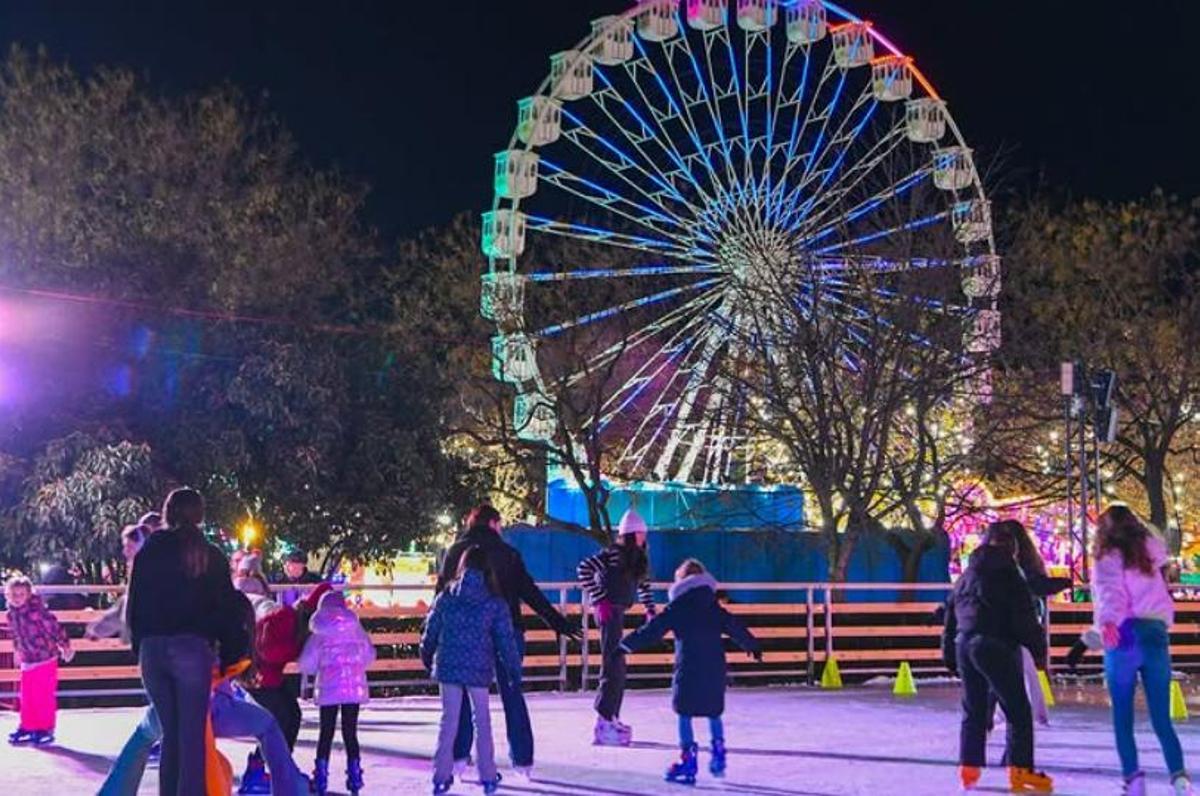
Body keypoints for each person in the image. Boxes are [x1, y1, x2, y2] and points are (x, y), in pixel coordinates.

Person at [99, 592, 311, 796]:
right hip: (215, 709)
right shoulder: (232, 642)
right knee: (268, 725)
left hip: (173, 710)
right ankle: (289, 790)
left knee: (142, 736)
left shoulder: (186, 631)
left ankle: (115, 791)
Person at [435, 504, 579, 777]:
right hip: (508, 632)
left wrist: (436, 634)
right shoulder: (507, 554)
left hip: (467, 636)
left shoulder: (455, 552)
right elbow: (530, 592)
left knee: (464, 696)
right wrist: (556, 622)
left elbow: (441, 595)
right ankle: (523, 759)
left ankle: (459, 757)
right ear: (493, 523)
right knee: (512, 693)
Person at [127, 487, 240, 796]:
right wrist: (229, 653)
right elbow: (227, 607)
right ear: (199, 514)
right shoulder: (210, 555)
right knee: (191, 740)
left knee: (171, 737)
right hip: (191, 650)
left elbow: (133, 603)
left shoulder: (148, 551)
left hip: (153, 650)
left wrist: (141, 646)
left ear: (167, 512)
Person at [619, 559, 760, 784]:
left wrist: (627, 645)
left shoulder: (678, 607)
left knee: (684, 711)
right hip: (714, 667)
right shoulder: (713, 606)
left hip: (689, 667)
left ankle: (687, 758)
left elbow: (653, 630)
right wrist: (751, 644)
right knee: (714, 711)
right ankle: (718, 751)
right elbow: (733, 625)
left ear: (681, 582)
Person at [942, 522, 1053, 793]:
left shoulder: (967, 574)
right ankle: (1020, 771)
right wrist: (1038, 648)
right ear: (1013, 550)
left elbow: (951, 614)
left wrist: (949, 654)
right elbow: (1024, 616)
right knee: (1018, 711)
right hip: (996, 645)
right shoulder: (1010, 575)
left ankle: (968, 768)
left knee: (974, 709)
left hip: (964, 644)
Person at [1093, 505, 1192, 796]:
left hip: (1123, 634)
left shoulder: (1108, 556)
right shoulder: (1150, 554)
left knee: (1123, 716)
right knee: (1161, 717)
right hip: (1155, 633)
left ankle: (1133, 779)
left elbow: (1110, 589)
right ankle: (1179, 778)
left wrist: (1108, 620)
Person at [423, 546, 521, 796]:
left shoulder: (446, 596)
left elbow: (431, 629)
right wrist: (513, 668)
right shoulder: (494, 602)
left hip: (448, 667)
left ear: (462, 566)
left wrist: (426, 655)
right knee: (482, 721)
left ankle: (441, 776)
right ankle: (487, 776)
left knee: (449, 721)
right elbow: (505, 639)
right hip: (479, 669)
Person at [239, 583, 332, 791]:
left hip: (270, 677)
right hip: (256, 676)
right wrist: (291, 651)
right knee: (279, 719)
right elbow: (265, 647)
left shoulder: (301, 628)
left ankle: (281, 767)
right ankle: (260, 770)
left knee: (293, 715)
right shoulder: (285, 618)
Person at [576, 507, 656, 745]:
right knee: (613, 663)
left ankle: (611, 715)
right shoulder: (613, 554)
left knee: (619, 665)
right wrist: (600, 598)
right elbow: (583, 569)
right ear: (632, 534)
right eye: (641, 533)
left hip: (618, 611)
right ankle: (603, 720)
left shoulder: (637, 558)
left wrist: (650, 609)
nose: (644, 537)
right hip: (608, 611)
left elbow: (643, 585)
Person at [298, 589, 376, 795]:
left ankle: (321, 775)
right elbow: (369, 654)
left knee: (326, 732)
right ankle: (354, 774)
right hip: (353, 688)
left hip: (328, 689)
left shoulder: (319, 632)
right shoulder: (356, 628)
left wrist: (318, 669)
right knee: (351, 732)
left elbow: (306, 663)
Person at [1007, 520, 1072, 726]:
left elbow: (1036, 585)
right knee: (1029, 670)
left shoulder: (1011, 564)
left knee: (1018, 671)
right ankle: (1030, 714)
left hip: (1013, 623)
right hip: (1025, 622)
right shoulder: (1024, 564)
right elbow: (1037, 585)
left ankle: (1018, 714)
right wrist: (1062, 583)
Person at [4, 575, 73, 746]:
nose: (17, 599)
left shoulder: (37, 612)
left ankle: (45, 728)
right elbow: (16, 635)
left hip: (45, 657)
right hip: (28, 659)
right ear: (7, 595)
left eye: (21, 595)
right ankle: (28, 725)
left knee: (43, 695)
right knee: (27, 696)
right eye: (13, 595)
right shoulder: (11, 615)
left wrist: (65, 645)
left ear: (28, 595)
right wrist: (17, 651)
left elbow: (55, 628)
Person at [87, 524, 152, 642]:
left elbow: (127, 604)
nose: (125, 552)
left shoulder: (147, 571)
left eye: (130, 547)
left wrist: (97, 630)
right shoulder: (142, 569)